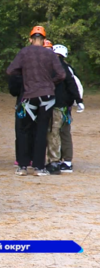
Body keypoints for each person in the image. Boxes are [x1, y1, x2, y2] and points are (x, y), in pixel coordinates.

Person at [7, 26, 65, 176]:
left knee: (25, 130)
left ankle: (23, 166)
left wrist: (25, 76)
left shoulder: (24, 52)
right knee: (42, 130)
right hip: (47, 96)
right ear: (44, 40)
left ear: (30, 39)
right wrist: (51, 83)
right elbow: (61, 74)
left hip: (30, 95)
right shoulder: (50, 54)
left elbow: (10, 71)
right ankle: (39, 167)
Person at [46, 44, 84, 174]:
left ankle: (55, 161)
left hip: (53, 105)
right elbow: (74, 86)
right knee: (64, 133)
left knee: (53, 133)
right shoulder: (68, 68)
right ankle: (66, 161)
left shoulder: (51, 67)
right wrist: (78, 101)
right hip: (65, 107)